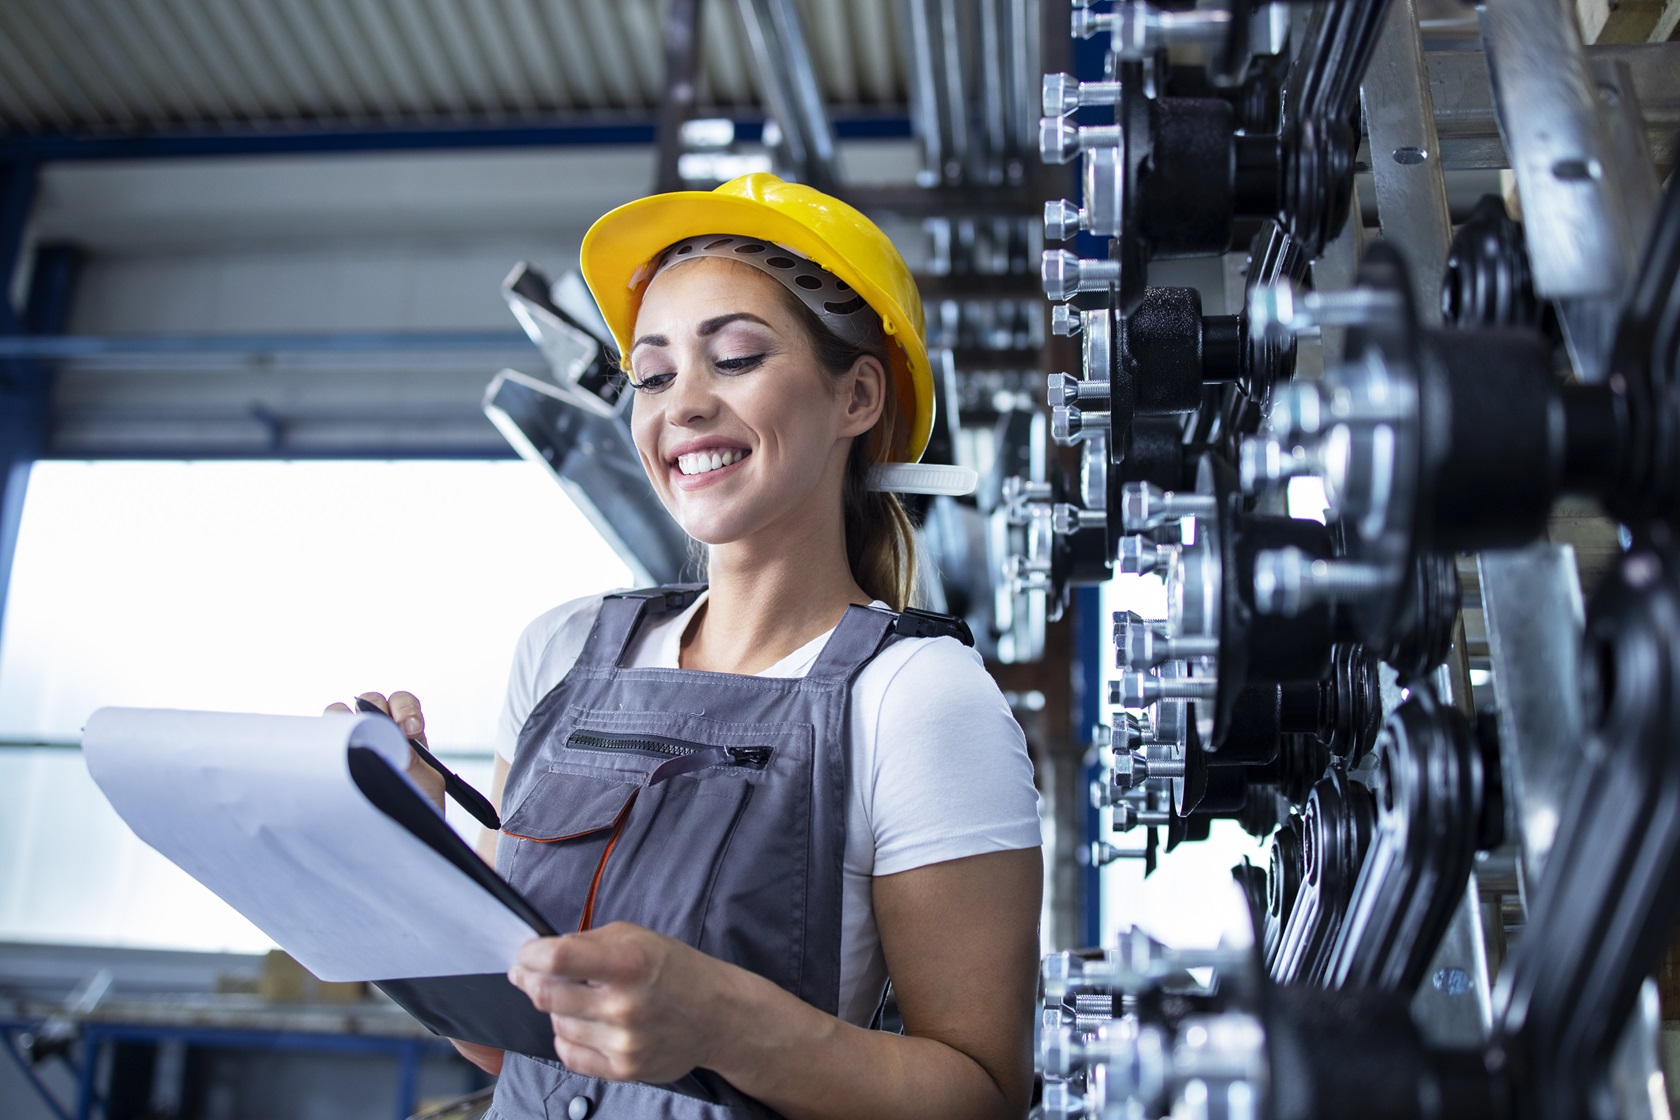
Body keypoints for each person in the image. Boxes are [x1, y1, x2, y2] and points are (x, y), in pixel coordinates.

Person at [337, 173, 1042, 1120]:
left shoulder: (918, 698)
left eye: (738, 357)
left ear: (858, 397)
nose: (685, 406)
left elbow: (983, 1099)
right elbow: (516, 1051)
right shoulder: (561, 653)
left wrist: (728, 1025)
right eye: (654, 374)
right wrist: (398, 857)